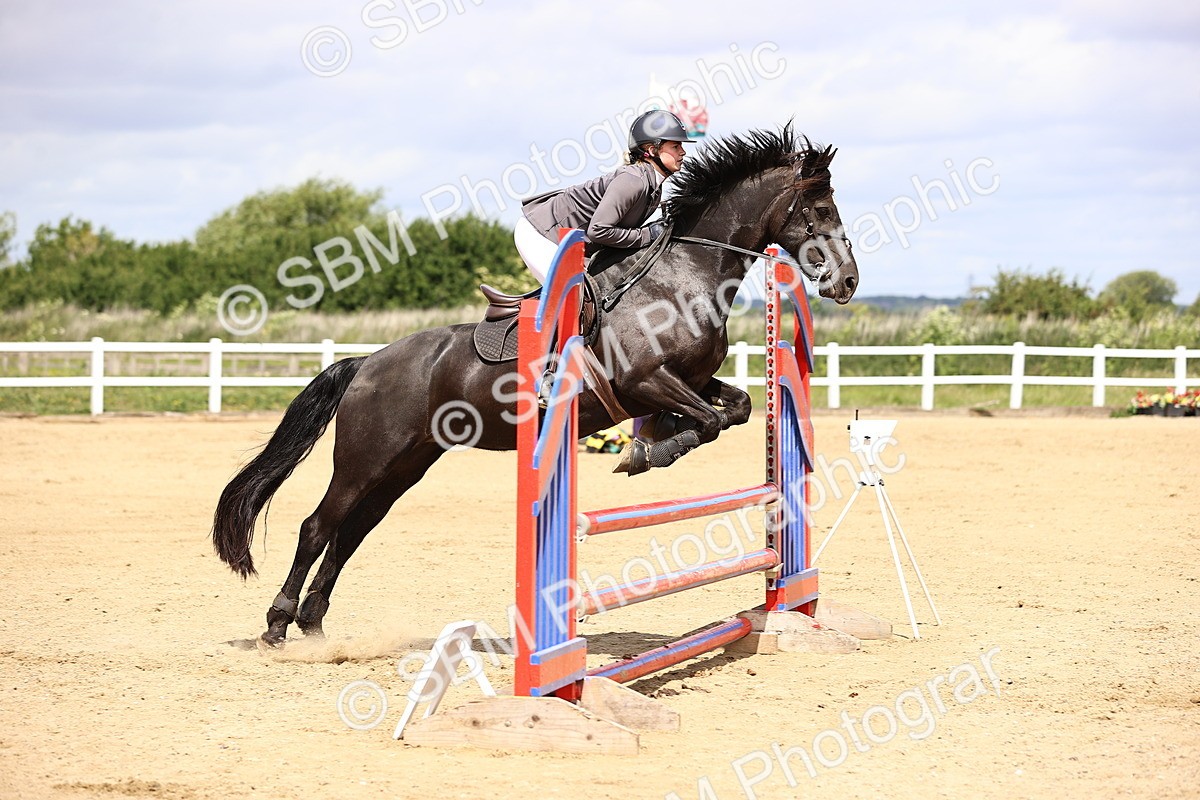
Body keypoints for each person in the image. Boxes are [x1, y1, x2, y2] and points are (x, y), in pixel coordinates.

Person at [514, 109, 694, 283]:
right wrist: (647, 234)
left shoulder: (653, 187)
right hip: (541, 233)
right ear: (652, 150)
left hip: (569, 243)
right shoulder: (633, 181)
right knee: (575, 298)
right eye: (675, 146)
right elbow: (599, 230)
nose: (683, 152)